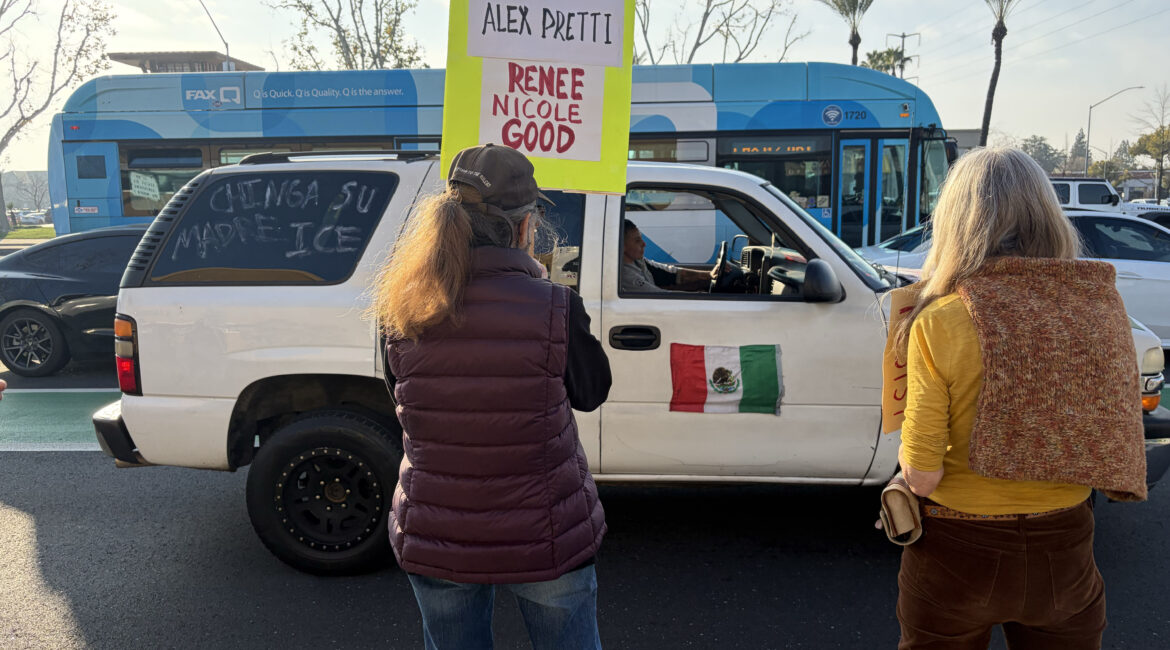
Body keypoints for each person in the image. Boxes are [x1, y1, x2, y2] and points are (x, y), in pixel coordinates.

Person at [892, 147, 1147, 650]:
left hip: (957, 553)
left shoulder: (940, 319)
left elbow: (922, 474)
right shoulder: (1100, 307)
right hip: (1066, 547)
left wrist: (901, 476)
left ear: (956, 222)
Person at [372, 143, 611, 650]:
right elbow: (591, 393)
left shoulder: (402, 308)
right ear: (525, 227)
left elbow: (402, 397)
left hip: (438, 530)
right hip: (546, 533)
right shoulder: (556, 306)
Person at [621, 220, 725, 293]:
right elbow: (658, 296)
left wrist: (708, 275)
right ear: (622, 246)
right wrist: (699, 297)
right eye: (637, 241)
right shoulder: (626, 276)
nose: (644, 244)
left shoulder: (638, 262)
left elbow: (670, 271)